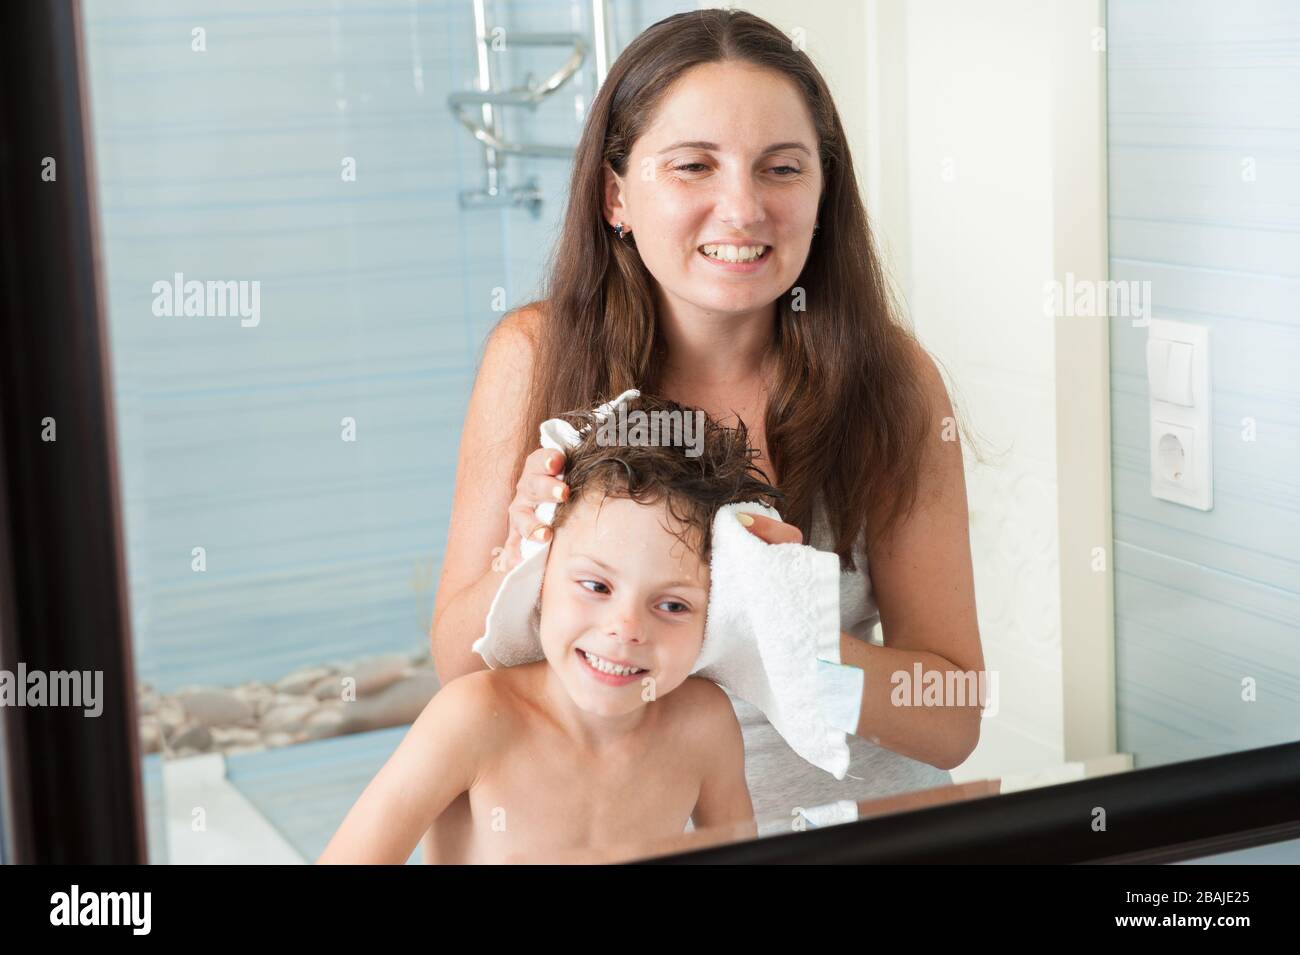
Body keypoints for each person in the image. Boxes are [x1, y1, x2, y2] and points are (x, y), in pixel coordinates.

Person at [429, 8, 985, 849]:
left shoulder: (892, 383)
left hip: (855, 828)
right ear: (616, 195)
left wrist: (781, 639)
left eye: (781, 168)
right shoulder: (536, 357)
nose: (743, 208)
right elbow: (457, 665)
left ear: (823, 189)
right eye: (693, 165)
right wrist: (527, 562)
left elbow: (952, 718)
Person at [320, 396, 770, 863]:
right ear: (538, 574)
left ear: (715, 612)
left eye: (673, 604)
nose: (626, 628)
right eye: (596, 585)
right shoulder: (474, 718)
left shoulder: (703, 724)